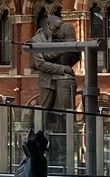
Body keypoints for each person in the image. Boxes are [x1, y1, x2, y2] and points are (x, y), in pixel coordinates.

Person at [28, 8, 80, 145]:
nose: (57, 32)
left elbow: (68, 56)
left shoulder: (55, 37)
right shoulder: (36, 41)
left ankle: (60, 142)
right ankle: (38, 140)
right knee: (44, 112)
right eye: (55, 28)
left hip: (57, 79)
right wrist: (63, 68)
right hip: (46, 81)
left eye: (59, 29)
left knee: (60, 113)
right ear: (48, 26)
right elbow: (41, 65)